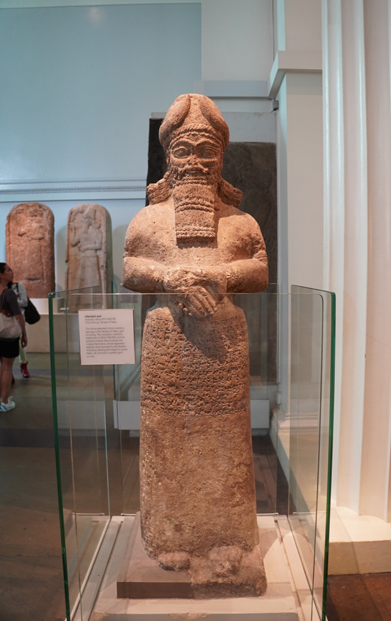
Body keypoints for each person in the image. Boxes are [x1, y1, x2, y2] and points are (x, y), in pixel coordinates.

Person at [122, 94, 268, 596]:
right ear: (169, 156)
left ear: (221, 157)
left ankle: (228, 537)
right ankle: (168, 536)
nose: (196, 162)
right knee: (166, 436)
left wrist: (222, 276)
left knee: (225, 437)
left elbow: (259, 269)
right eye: (185, 150)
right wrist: (169, 277)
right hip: (168, 341)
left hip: (222, 344)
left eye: (207, 150)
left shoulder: (240, 223)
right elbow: (131, 267)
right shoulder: (148, 221)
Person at [0, 263, 28, 411]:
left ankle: (1, 398)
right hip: (7, 335)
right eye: (8, 270)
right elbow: (18, 315)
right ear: (1, 275)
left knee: (2, 367)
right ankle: (4, 402)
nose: (12, 272)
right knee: (6, 368)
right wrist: (24, 333)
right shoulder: (9, 293)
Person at [10, 280, 30, 378]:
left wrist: (10, 302)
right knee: (6, 346)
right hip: (4, 320)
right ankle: (8, 370)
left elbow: (25, 302)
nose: (11, 274)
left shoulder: (18, 285)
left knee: (21, 344)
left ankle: (23, 364)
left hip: (18, 318)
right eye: (9, 272)